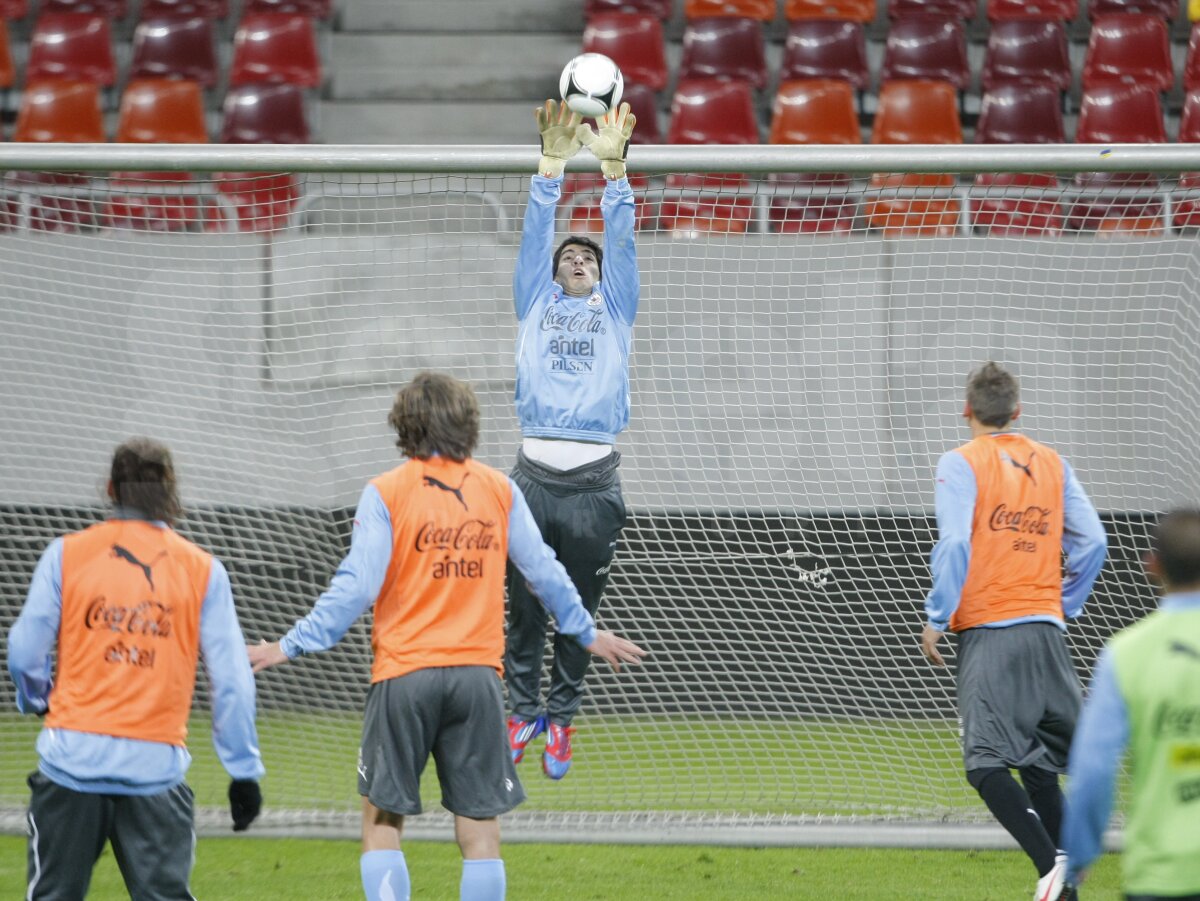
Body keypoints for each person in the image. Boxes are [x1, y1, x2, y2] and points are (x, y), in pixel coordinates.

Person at [247, 371, 645, 901]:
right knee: (480, 829)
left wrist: (287, 645)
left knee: (381, 819)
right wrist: (583, 628)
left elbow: (355, 588)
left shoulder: (386, 492)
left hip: (405, 678)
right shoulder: (498, 489)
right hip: (477, 682)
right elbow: (543, 570)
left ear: (403, 425)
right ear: (468, 425)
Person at [6, 437, 264, 901]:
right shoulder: (204, 569)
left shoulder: (66, 554)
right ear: (171, 493)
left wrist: (36, 698)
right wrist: (242, 770)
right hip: (155, 773)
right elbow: (231, 680)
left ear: (110, 488)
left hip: (70, 765)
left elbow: (25, 649)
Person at [920, 361, 1108, 901]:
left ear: (967, 410)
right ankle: (1068, 875)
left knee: (984, 762)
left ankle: (1050, 867)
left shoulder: (961, 463)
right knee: (1041, 761)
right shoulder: (1053, 462)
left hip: (990, 631)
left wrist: (937, 617)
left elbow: (955, 544)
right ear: (1017, 412)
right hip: (1046, 632)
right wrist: (1060, 605)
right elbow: (1093, 543)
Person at [504, 97, 640, 781]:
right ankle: (522, 710)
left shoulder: (616, 309)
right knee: (524, 608)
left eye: (589, 254)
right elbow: (535, 242)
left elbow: (623, 245)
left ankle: (562, 718)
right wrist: (551, 169)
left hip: (592, 483)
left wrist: (614, 178)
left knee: (577, 614)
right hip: (530, 475)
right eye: (570, 253)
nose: (581, 257)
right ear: (554, 273)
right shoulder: (535, 303)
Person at [1063, 509, 1200, 900]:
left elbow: (1092, 768)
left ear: (1152, 566)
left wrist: (1080, 853)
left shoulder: (1125, 654)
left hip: (1162, 874)